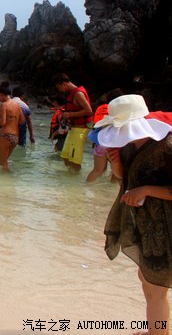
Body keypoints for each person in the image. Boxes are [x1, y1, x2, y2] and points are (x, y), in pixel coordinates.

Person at [97, 95, 172, 335]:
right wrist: (116, 164)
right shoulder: (129, 145)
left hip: (167, 228)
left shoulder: (167, 146)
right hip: (148, 227)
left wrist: (147, 190)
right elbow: (127, 179)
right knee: (148, 281)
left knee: (154, 288)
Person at [52, 73, 93, 172]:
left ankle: (76, 177)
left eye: (59, 87)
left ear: (63, 84)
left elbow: (89, 111)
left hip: (79, 130)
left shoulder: (78, 94)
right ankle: (69, 179)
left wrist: (70, 114)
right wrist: (67, 118)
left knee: (75, 162)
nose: (59, 90)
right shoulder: (70, 93)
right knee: (66, 158)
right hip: (72, 129)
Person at [0, 85, 25, 172]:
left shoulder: (4, 105)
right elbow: (22, 120)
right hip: (15, 137)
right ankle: (9, 179)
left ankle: (7, 179)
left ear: (1, 94)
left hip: (5, 135)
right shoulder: (17, 104)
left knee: (2, 163)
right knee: (5, 162)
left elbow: (3, 123)